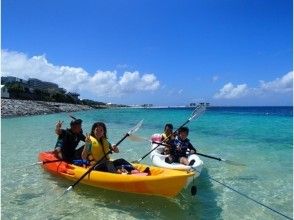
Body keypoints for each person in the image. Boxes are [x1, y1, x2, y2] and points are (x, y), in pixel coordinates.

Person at [81, 122, 149, 174]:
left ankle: (136, 172)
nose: (99, 132)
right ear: (93, 130)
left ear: (104, 131)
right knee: (109, 164)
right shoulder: (89, 141)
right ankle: (120, 172)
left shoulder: (105, 141)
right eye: (97, 130)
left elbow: (116, 151)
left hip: (107, 163)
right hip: (96, 166)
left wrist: (115, 147)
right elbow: (83, 156)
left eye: (101, 130)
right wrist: (85, 166)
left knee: (121, 160)